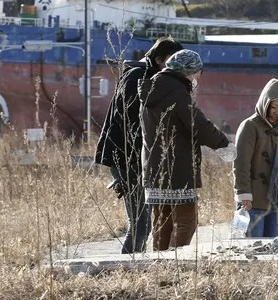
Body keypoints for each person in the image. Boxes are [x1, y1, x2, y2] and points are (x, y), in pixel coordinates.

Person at [139, 49, 235, 251]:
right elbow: (198, 125)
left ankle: (160, 263)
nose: (199, 77)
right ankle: (177, 265)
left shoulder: (151, 91)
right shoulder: (177, 93)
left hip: (153, 168)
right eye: (199, 72)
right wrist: (223, 144)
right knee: (186, 222)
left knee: (162, 223)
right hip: (177, 169)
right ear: (191, 72)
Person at [95, 36, 183, 254]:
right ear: (159, 58)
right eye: (171, 62)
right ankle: (126, 267)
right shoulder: (137, 76)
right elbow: (127, 120)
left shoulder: (153, 77)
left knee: (144, 222)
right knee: (140, 224)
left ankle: (130, 265)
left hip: (136, 158)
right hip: (126, 157)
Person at [233, 78, 278, 238]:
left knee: (274, 245)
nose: (277, 112)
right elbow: (241, 162)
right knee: (253, 245)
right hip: (254, 199)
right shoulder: (250, 126)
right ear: (265, 104)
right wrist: (243, 193)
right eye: (274, 107)